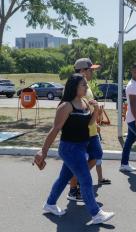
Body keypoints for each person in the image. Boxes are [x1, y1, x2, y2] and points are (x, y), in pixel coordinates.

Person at [34, 74, 114, 224]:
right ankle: (96, 214)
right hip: (70, 149)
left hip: (81, 147)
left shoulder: (84, 102)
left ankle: (50, 204)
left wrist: (96, 110)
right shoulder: (66, 106)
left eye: (86, 85)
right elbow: (55, 129)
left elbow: (89, 125)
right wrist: (43, 151)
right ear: (74, 87)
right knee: (85, 179)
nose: (86, 87)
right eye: (83, 85)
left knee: (63, 178)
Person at [67, 58, 110, 203]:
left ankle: (77, 181)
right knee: (81, 162)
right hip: (83, 131)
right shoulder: (76, 88)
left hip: (91, 128)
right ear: (82, 71)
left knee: (96, 155)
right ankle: (73, 189)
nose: (93, 72)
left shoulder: (87, 86)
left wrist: (95, 120)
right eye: (91, 70)